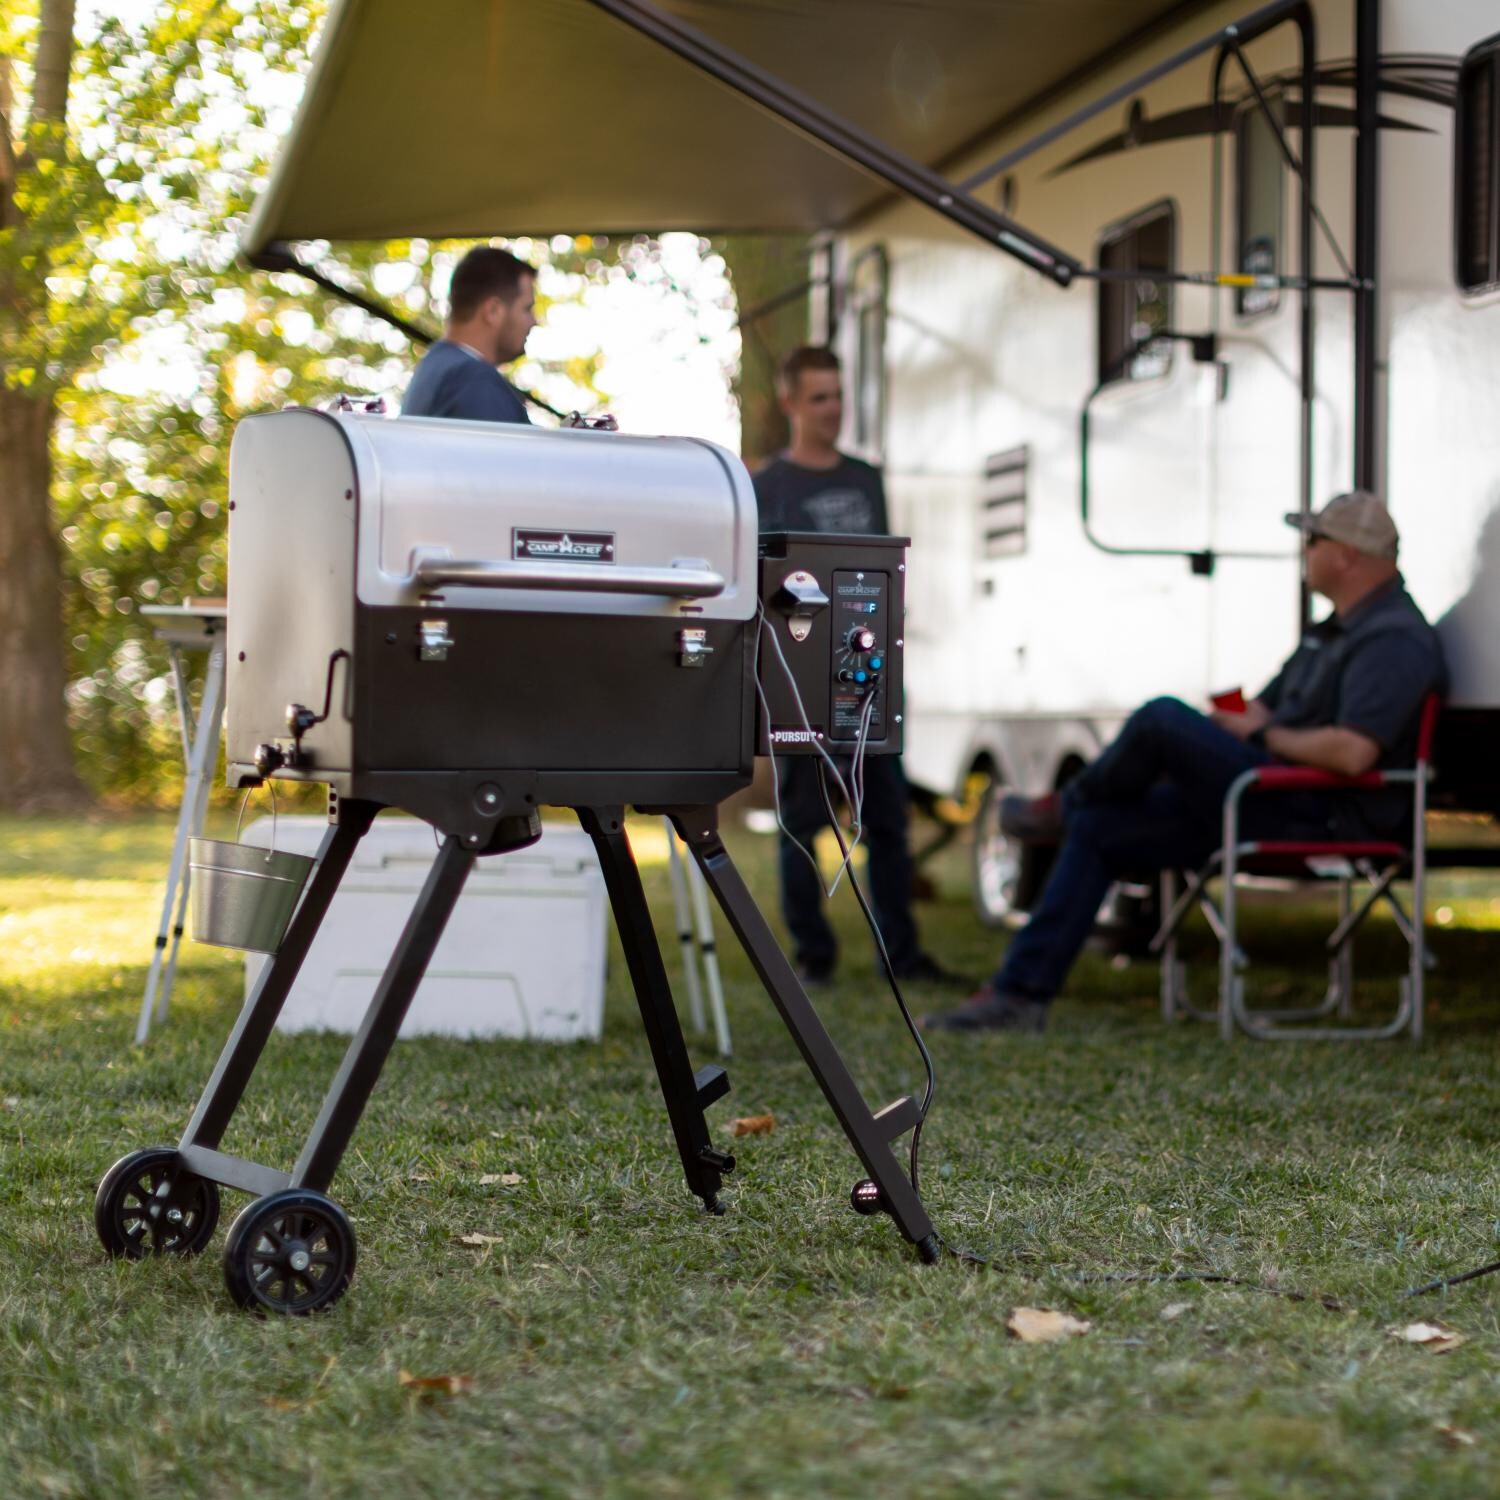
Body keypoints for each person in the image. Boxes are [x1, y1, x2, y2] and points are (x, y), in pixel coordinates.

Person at [924, 490, 1446, 1034]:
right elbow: (1268, 705)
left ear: (1347, 555)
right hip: (1270, 792)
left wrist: (1261, 732)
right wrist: (1233, 721)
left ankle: (1063, 806)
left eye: (1312, 541)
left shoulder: (1395, 640)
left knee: (1160, 720)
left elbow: (1353, 752)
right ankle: (1018, 995)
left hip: (1322, 812)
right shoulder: (1332, 631)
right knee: (1102, 825)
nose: (1303, 552)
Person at [754, 346, 962, 989]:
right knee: (803, 819)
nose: (833, 410)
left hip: (866, 675)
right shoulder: (769, 487)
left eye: (839, 395)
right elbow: (766, 585)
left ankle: (901, 955)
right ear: (791, 403)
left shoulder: (866, 477)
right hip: (799, 677)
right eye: (819, 397)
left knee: (888, 819)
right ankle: (814, 957)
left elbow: (883, 571)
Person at [402, 245, 539, 422]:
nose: (535, 321)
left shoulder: (435, 367)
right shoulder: (473, 380)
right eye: (527, 309)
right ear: (493, 310)